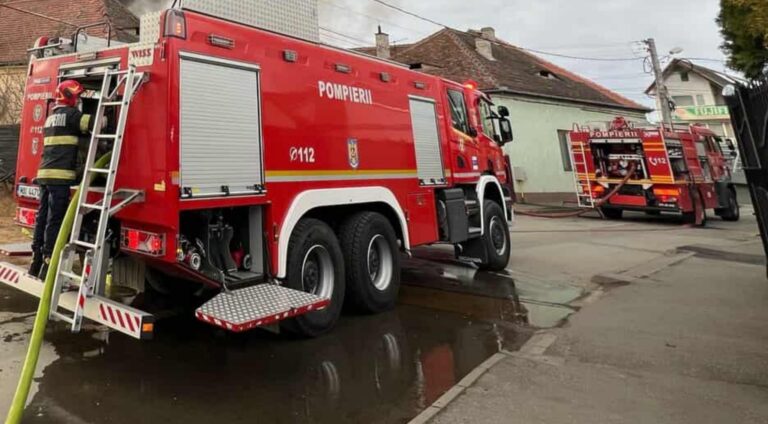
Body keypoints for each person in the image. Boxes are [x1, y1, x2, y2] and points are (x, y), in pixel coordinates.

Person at [29, 80, 97, 278]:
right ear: (70, 97)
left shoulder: (51, 118)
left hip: (44, 175)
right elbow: (94, 124)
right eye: (77, 96)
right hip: (60, 177)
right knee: (55, 219)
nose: (78, 100)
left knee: (42, 217)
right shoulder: (72, 115)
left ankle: (36, 258)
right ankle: (49, 262)